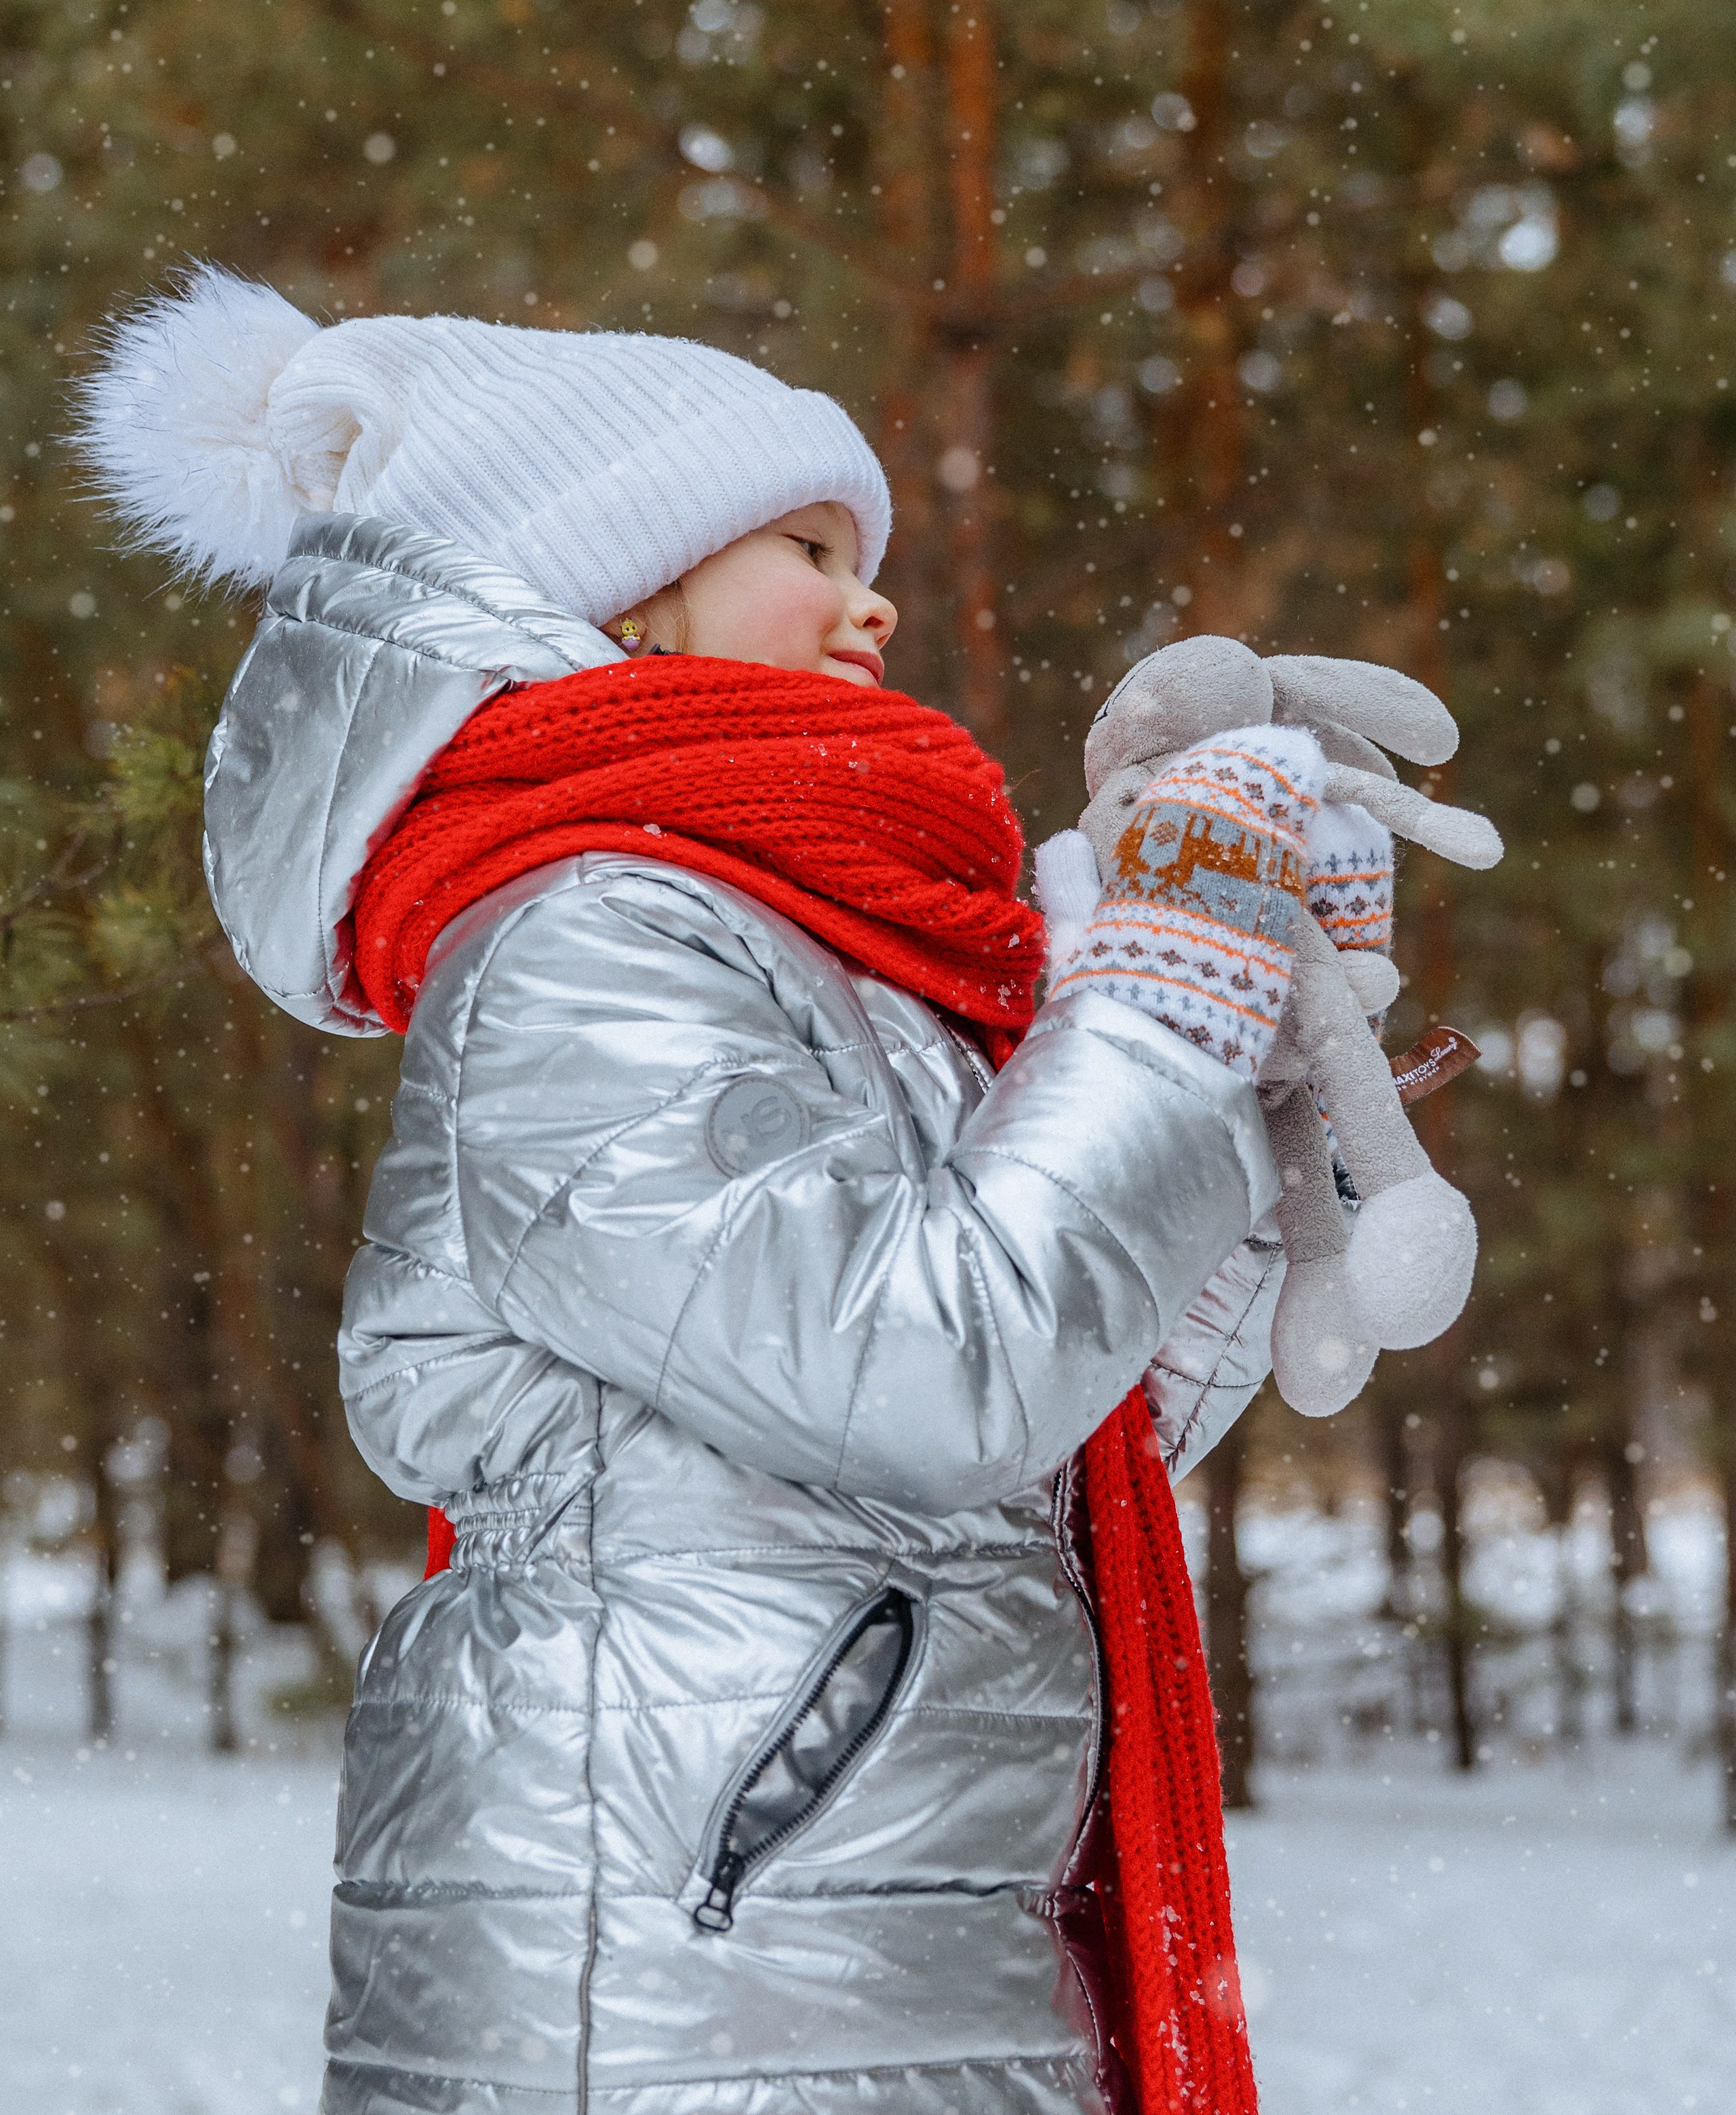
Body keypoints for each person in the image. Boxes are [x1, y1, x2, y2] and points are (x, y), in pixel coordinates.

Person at [79, 268, 1307, 2115]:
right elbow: (928, 1378)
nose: (871, 592)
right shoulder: (592, 943)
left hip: (851, 1950)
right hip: (692, 1979)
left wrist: (1243, 1075)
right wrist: (1147, 1013)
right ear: (609, 579)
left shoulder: (822, 962)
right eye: (809, 541)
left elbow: (1063, 1431)